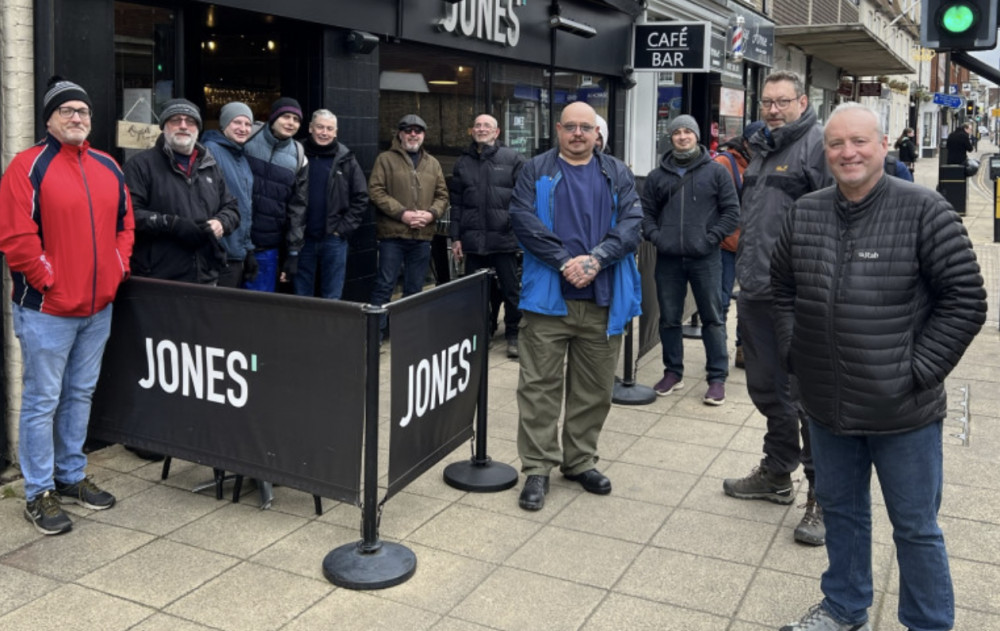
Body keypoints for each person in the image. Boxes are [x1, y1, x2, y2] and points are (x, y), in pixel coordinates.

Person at [772, 102, 986, 631]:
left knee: (915, 527)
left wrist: (914, 371)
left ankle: (929, 622)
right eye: (837, 144)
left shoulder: (924, 208)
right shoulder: (806, 212)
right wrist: (797, 354)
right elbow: (779, 291)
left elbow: (965, 300)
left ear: (883, 145)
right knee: (843, 515)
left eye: (859, 142)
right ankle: (844, 608)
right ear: (827, 153)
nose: (848, 152)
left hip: (903, 412)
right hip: (826, 406)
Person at [0, 77, 135, 534]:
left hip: (97, 309)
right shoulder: (26, 166)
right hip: (47, 311)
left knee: (79, 394)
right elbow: (17, 239)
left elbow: (125, 226)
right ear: (50, 118)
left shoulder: (107, 166)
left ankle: (71, 475)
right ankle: (38, 491)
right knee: (42, 400)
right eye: (67, 111)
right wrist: (48, 281)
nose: (77, 118)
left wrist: (116, 269)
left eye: (83, 111)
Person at [510, 102, 642, 512]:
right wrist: (565, 261)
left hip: (603, 301)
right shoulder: (535, 170)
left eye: (586, 127)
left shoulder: (616, 172)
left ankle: (580, 460)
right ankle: (536, 467)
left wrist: (597, 259)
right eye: (572, 127)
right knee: (538, 388)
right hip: (548, 301)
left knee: (594, 390)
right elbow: (523, 220)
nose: (579, 134)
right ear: (558, 129)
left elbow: (633, 223)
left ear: (596, 132)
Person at [722, 71, 833, 546]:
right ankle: (777, 471)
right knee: (767, 388)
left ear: (803, 102)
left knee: (808, 397)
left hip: (799, 296)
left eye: (782, 102)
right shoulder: (763, 148)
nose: (772, 109)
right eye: (766, 101)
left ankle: (823, 496)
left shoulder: (819, 147)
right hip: (756, 290)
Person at [641, 114, 739, 405]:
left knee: (712, 318)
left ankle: (717, 378)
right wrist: (657, 237)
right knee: (669, 318)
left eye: (688, 132)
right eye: (677, 132)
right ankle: (673, 372)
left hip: (706, 258)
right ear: (670, 138)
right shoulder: (657, 176)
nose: (682, 137)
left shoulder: (716, 172)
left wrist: (710, 239)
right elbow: (645, 214)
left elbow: (732, 212)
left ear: (697, 136)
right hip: (668, 259)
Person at [124, 98, 240, 285]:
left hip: (206, 276)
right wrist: (171, 224)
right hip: (159, 279)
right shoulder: (140, 166)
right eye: (176, 120)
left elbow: (232, 207)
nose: (184, 126)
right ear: (163, 126)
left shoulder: (209, 165)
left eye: (190, 121)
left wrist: (221, 223)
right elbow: (129, 215)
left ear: (198, 128)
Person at [449, 114, 526, 358]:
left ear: (497, 132)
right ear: (472, 131)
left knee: (511, 291)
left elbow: (524, 200)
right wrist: (455, 238)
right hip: (473, 241)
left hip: (503, 239)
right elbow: (457, 204)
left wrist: (515, 228)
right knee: (475, 294)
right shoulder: (462, 163)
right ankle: (481, 332)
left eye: (487, 126)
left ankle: (514, 332)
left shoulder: (513, 159)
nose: (482, 129)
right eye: (478, 126)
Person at [368, 114, 449, 337]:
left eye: (418, 131)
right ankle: (377, 333)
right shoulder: (385, 159)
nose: (413, 134)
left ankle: (406, 334)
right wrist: (402, 213)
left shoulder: (432, 163)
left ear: (423, 135)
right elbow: (375, 191)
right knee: (385, 285)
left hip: (422, 236)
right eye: (408, 130)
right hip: (392, 236)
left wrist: (431, 214)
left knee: (415, 289)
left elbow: (442, 195)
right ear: (400, 134)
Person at [296, 109, 369, 299]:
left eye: (329, 129)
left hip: (333, 239)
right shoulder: (296, 153)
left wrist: (342, 230)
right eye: (320, 127)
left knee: (332, 295)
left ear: (336, 132)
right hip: (302, 239)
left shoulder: (346, 159)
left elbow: (361, 196)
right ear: (311, 128)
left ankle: (329, 330)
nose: (324, 132)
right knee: (301, 295)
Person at [713, 120, 765, 369]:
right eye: (755, 143)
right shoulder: (724, 163)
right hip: (725, 245)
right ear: (745, 142)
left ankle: (744, 350)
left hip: (755, 245)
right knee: (721, 302)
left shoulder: (769, 163)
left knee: (751, 301)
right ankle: (718, 356)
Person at [244, 97, 308, 292]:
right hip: (233, 243)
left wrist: (293, 252)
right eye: (286, 117)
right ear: (273, 117)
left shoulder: (298, 157)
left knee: (259, 309)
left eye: (296, 120)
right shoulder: (248, 137)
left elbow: (297, 208)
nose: (291, 123)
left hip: (266, 247)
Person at [202, 101, 256, 288]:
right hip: (220, 252)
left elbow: (245, 206)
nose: (243, 128)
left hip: (236, 251)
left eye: (248, 124)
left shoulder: (240, 155)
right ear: (224, 124)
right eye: (237, 122)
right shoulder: (211, 150)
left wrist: (247, 249)